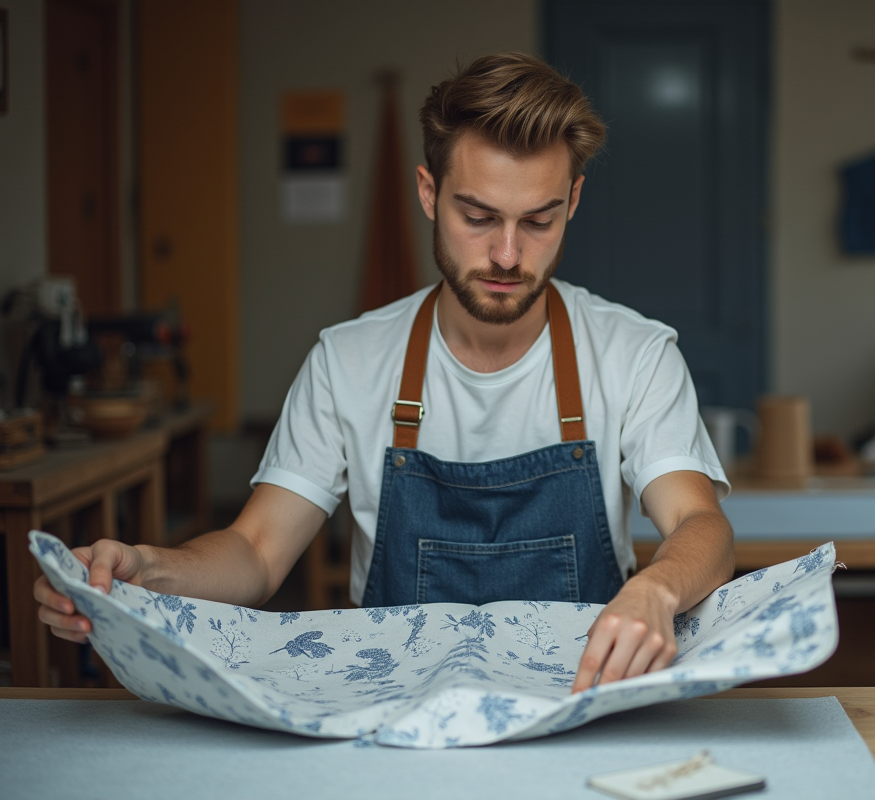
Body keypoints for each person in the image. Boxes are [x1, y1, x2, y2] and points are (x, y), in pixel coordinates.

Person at [34, 52, 735, 693]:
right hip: (392, 713)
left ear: (573, 202)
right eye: (477, 216)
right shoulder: (348, 361)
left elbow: (698, 521)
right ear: (429, 193)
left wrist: (657, 589)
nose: (507, 254)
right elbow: (256, 550)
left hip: (581, 702)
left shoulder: (634, 354)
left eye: (538, 221)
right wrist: (148, 569)